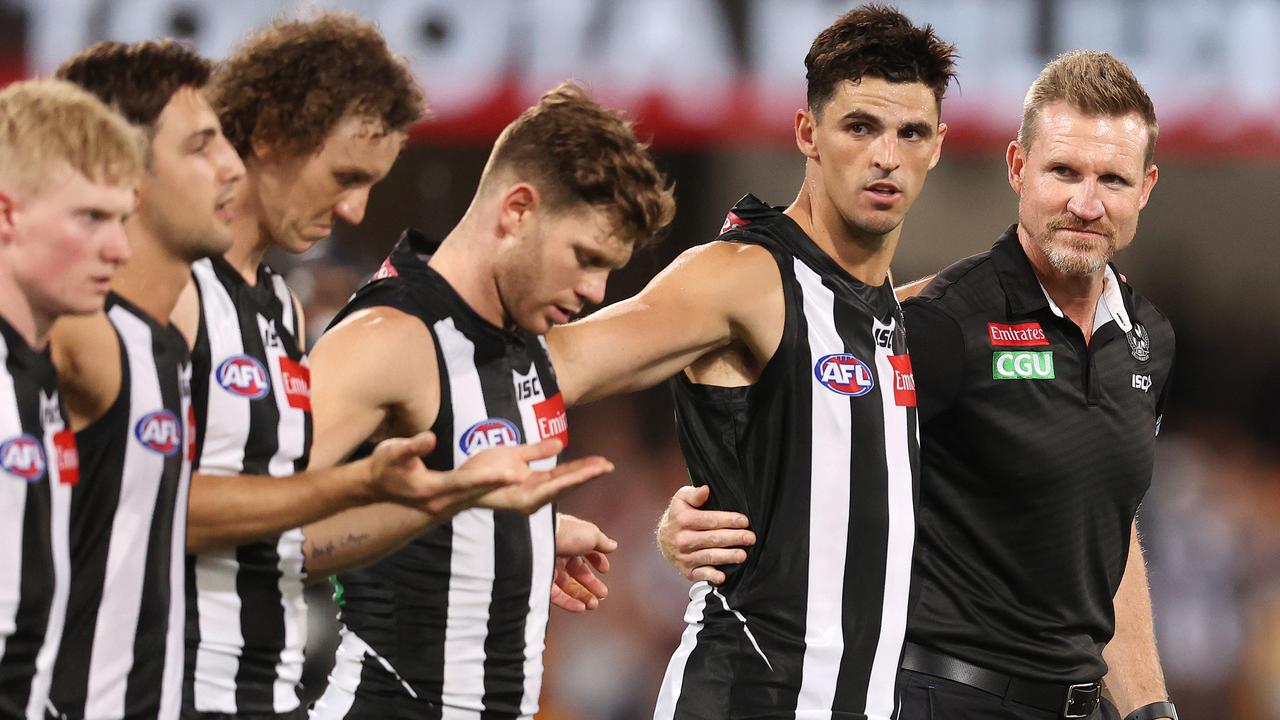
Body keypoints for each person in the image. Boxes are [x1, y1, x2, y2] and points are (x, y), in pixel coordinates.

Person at [658, 50, 1179, 720]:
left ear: (1146, 187)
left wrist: (1148, 705)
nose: (1085, 202)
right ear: (1019, 168)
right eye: (1063, 172)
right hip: (943, 697)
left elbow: (1100, 520)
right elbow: (794, 430)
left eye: (1112, 177)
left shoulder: (1148, 339)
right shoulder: (942, 324)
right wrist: (693, 515)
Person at [539, 5, 956, 718]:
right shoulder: (744, 276)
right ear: (807, 134)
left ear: (938, 145)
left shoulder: (894, 310)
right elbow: (548, 367)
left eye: (910, 132)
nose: (887, 154)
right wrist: (514, 519)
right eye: (860, 126)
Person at [171, 16, 591, 718]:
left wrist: (448, 504)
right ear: (271, 132)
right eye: (344, 176)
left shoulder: (273, 303)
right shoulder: (173, 290)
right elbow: (151, 509)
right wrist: (359, 482)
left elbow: (290, 542)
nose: (353, 208)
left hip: (262, 695)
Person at [302, 81, 675, 719]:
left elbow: (670, 326)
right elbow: (265, 529)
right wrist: (453, 504)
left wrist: (521, 534)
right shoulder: (388, 339)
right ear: (518, 210)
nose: (594, 290)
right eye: (585, 257)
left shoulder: (523, 345)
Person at [0, 78, 141, 720]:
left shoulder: (37, 375)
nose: (120, 248)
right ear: (8, 215)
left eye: (123, 218)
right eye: (90, 217)